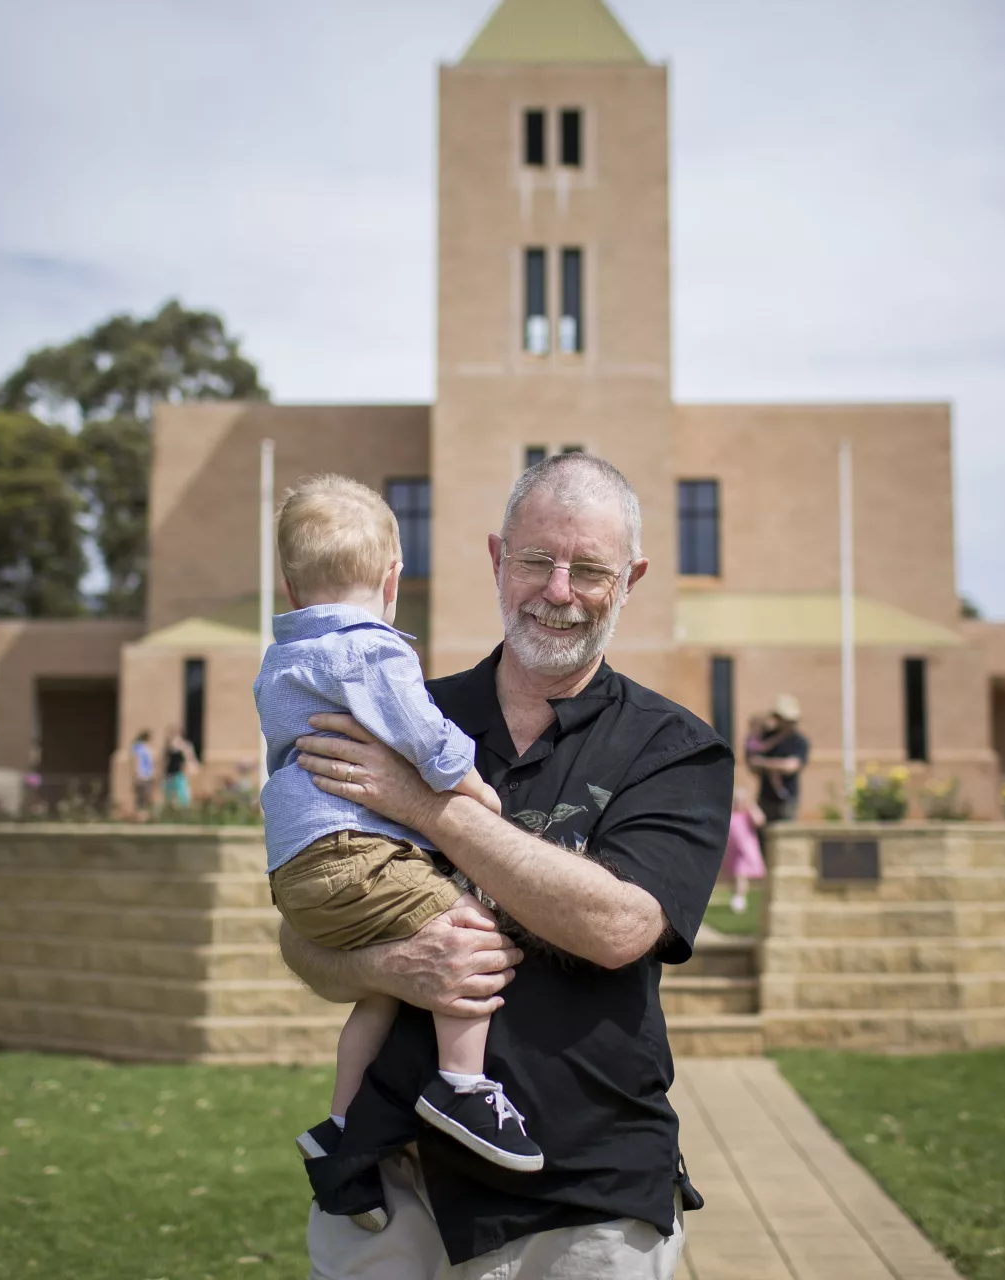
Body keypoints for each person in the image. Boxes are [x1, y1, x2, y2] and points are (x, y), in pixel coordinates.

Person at [280, 453, 732, 1278]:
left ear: (628, 580)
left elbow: (620, 926)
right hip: (396, 1182)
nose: (559, 591)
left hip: (588, 1194)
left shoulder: (673, 749)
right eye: (536, 560)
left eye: (589, 569)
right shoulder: (403, 710)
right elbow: (305, 935)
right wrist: (393, 963)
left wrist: (425, 807)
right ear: (496, 558)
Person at [256, 474, 546, 1225]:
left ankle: (341, 1133)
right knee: (468, 935)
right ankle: (462, 1087)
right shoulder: (372, 652)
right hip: (358, 855)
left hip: (297, 869)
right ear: (393, 581)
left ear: (289, 588)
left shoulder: (280, 663)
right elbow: (422, 735)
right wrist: (474, 788)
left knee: (384, 989)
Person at [747, 694, 809, 825]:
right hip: (765, 800)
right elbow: (752, 764)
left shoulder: (799, 741)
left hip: (787, 802)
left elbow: (791, 766)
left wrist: (764, 763)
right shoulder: (766, 738)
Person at [721, 783, 766, 913]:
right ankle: (737, 896)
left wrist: (751, 805)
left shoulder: (746, 815)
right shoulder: (730, 815)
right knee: (734, 876)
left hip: (745, 850)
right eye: (736, 800)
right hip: (732, 851)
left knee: (741, 874)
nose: (738, 803)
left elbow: (760, 820)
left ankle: (739, 898)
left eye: (741, 800)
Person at [163, 730, 193, 809]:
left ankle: (183, 810)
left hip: (179, 775)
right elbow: (164, 762)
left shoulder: (182, 749)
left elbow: (186, 762)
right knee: (169, 794)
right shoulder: (167, 749)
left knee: (182, 795)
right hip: (169, 774)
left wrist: (187, 773)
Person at [130, 729, 155, 819]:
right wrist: (136, 775)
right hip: (142, 776)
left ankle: (144, 817)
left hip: (148, 776)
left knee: (146, 798)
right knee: (141, 799)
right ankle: (140, 817)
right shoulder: (139, 748)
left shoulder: (146, 748)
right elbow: (136, 762)